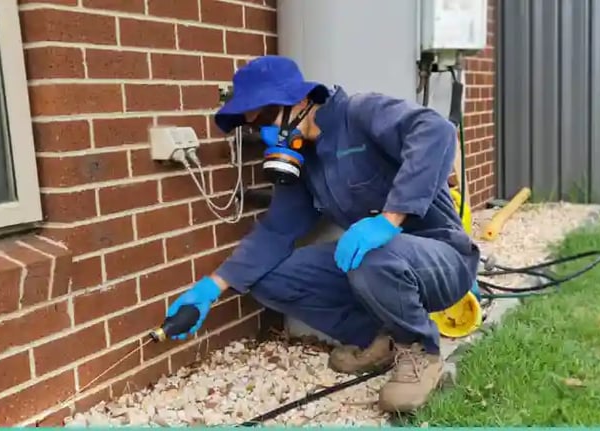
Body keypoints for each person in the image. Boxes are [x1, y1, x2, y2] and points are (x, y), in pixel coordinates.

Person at [165, 55, 480, 413]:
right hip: (379, 265)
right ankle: (381, 340)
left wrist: (389, 219)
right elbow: (275, 231)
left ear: (301, 100)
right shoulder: (305, 162)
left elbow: (436, 131)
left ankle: (421, 350)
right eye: (256, 126)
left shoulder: (359, 113)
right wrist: (211, 288)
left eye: (267, 117)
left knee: (370, 256)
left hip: (443, 259)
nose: (266, 133)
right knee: (268, 279)